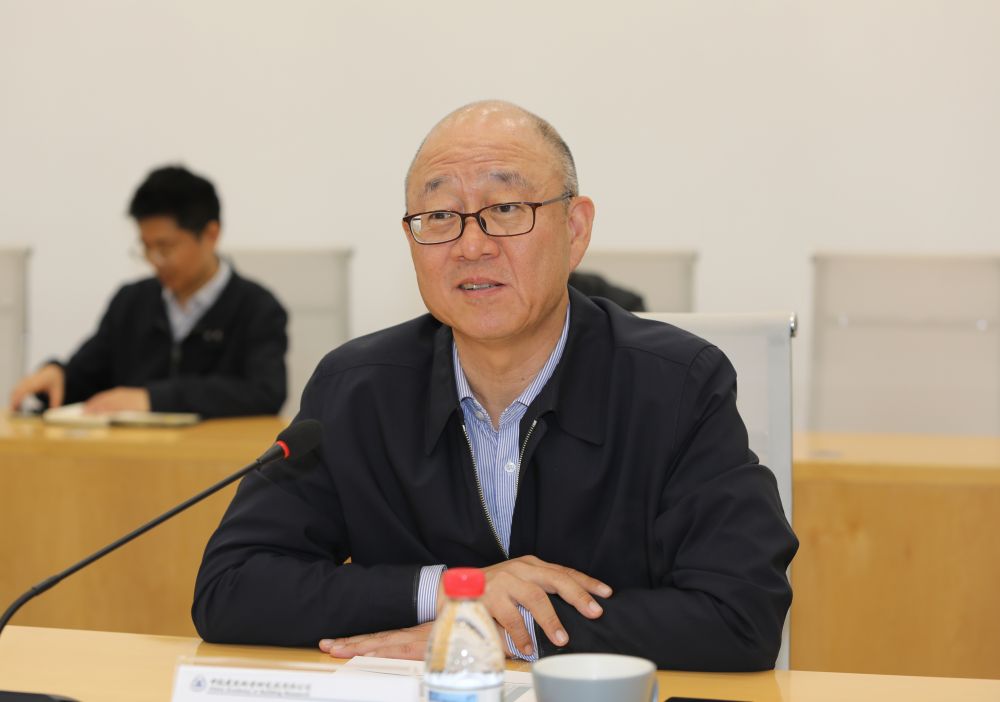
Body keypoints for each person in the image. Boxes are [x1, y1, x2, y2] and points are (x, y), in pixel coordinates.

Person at [192, 102, 797, 671]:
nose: (471, 246)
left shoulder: (676, 386)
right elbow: (231, 587)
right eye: (440, 217)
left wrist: (499, 630)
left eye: (506, 208)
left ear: (575, 229)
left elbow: (741, 612)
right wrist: (455, 591)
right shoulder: (356, 390)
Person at [8, 165, 288, 418]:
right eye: (146, 247)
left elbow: (265, 392)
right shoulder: (132, 301)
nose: (154, 260)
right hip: (133, 455)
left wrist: (154, 399)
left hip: (216, 456)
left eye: (165, 248)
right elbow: (87, 375)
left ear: (211, 235)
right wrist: (57, 375)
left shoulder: (257, 307)